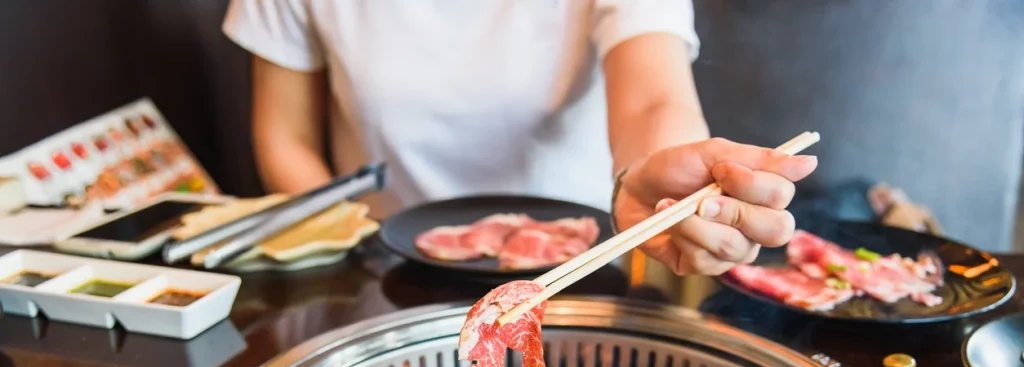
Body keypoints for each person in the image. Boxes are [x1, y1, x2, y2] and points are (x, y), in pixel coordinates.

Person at [222, 1, 817, 276]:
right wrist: (357, 250)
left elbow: (654, 98)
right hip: (384, 273)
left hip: (580, 271)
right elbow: (285, 139)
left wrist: (669, 188)